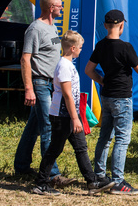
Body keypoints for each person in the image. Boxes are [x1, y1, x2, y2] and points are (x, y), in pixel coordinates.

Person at [85, 9, 138, 195]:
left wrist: (102, 81)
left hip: (107, 96)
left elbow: (89, 70)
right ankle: (118, 181)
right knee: (122, 138)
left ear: (105, 25)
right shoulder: (125, 47)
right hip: (122, 98)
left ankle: (100, 176)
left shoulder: (100, 45)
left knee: (105, 136)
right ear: (121, 25)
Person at [32, 31, 115, 196]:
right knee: (55, 149)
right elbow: (67, 94)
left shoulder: (68, 64)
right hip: (62, 116)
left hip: (69, 116)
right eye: (80, 47)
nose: (81, 50)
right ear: (72, 48)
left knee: (81, 147)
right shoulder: (63, 66)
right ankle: (41, 183)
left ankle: (92, 181)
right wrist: (75, 118)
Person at [14, 0, 75, 188]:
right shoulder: (35, 29)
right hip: (39, 83)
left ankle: (21, 165)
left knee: (34, 126)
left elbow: (56, 51)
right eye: (59, 6)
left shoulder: (53, 28)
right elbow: (25, 59)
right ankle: (51, 174)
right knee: (49, 126)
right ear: (51, 8)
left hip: (51, 83)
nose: (62, 8)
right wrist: (29, 89)